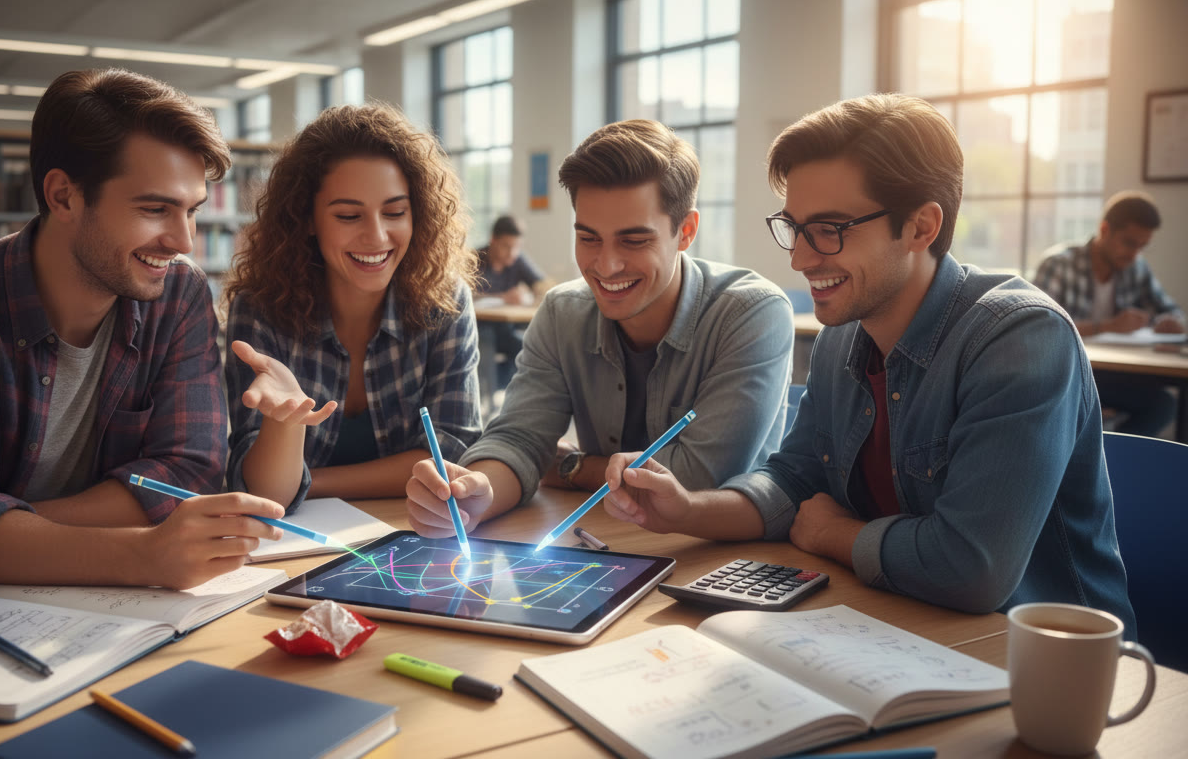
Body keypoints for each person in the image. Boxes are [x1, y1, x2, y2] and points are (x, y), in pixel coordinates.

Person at [600, 95, 1135, 632]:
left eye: (830, 229)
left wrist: (835, 534)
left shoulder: (1020, 338)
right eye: (795, 227)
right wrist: (687, 509)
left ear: (922, 227)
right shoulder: (846, 333)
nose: (800, 258)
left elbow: (973, 569)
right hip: (901, 627)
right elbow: (796, 478)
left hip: (1045, 660)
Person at [0, 68, 287, 632]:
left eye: (192, 210)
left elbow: (189, 469)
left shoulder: (179, 293)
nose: (183, 242)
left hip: (95, 613)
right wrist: (144, 553)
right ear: (64, 196)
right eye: (155, 209)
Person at [405, 119, 794, 539]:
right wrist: (477, 491)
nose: (606, 266)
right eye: (589, 238)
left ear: (685, 231)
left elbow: (695, 480)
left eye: (633, 241)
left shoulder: (753, 313)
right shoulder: (562, 313)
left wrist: (568, 466)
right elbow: (519, 438)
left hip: (719, 559)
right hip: (606, 541)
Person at [223, 103, 481, 503]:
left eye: (395, 212)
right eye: (348, 216)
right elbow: (263, 491)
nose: (377, 237)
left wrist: (309, 483)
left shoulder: (444, 301)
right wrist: (282, 425)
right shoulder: (260, 308)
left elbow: (452, 452)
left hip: (411, 533)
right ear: (306, 218)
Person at [1032, 192, 1184, 436]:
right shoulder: (1058, 264)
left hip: (1116, 373)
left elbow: (1169, 310)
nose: (1135, 253)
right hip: (1066, 372)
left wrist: (1172, 322)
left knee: (1163, 404)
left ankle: (1111, 458)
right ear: (1105, 230)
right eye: (1129, 243)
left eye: (1142, 246)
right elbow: (1039, 328)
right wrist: (1107, 326)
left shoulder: (1136, 267)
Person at [475, 215, 553, 391]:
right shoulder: (474, 259)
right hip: (479, 327)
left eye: (517, 247)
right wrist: (503, 297)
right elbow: (461, 295)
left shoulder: (517, 260)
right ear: (493, 240)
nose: (512, 253)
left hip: (505, 328)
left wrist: (535, 294)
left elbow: (545, 285)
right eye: (506, 246)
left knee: (529, 348)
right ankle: (487, 387)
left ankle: (494, 385)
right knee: (486, 342)